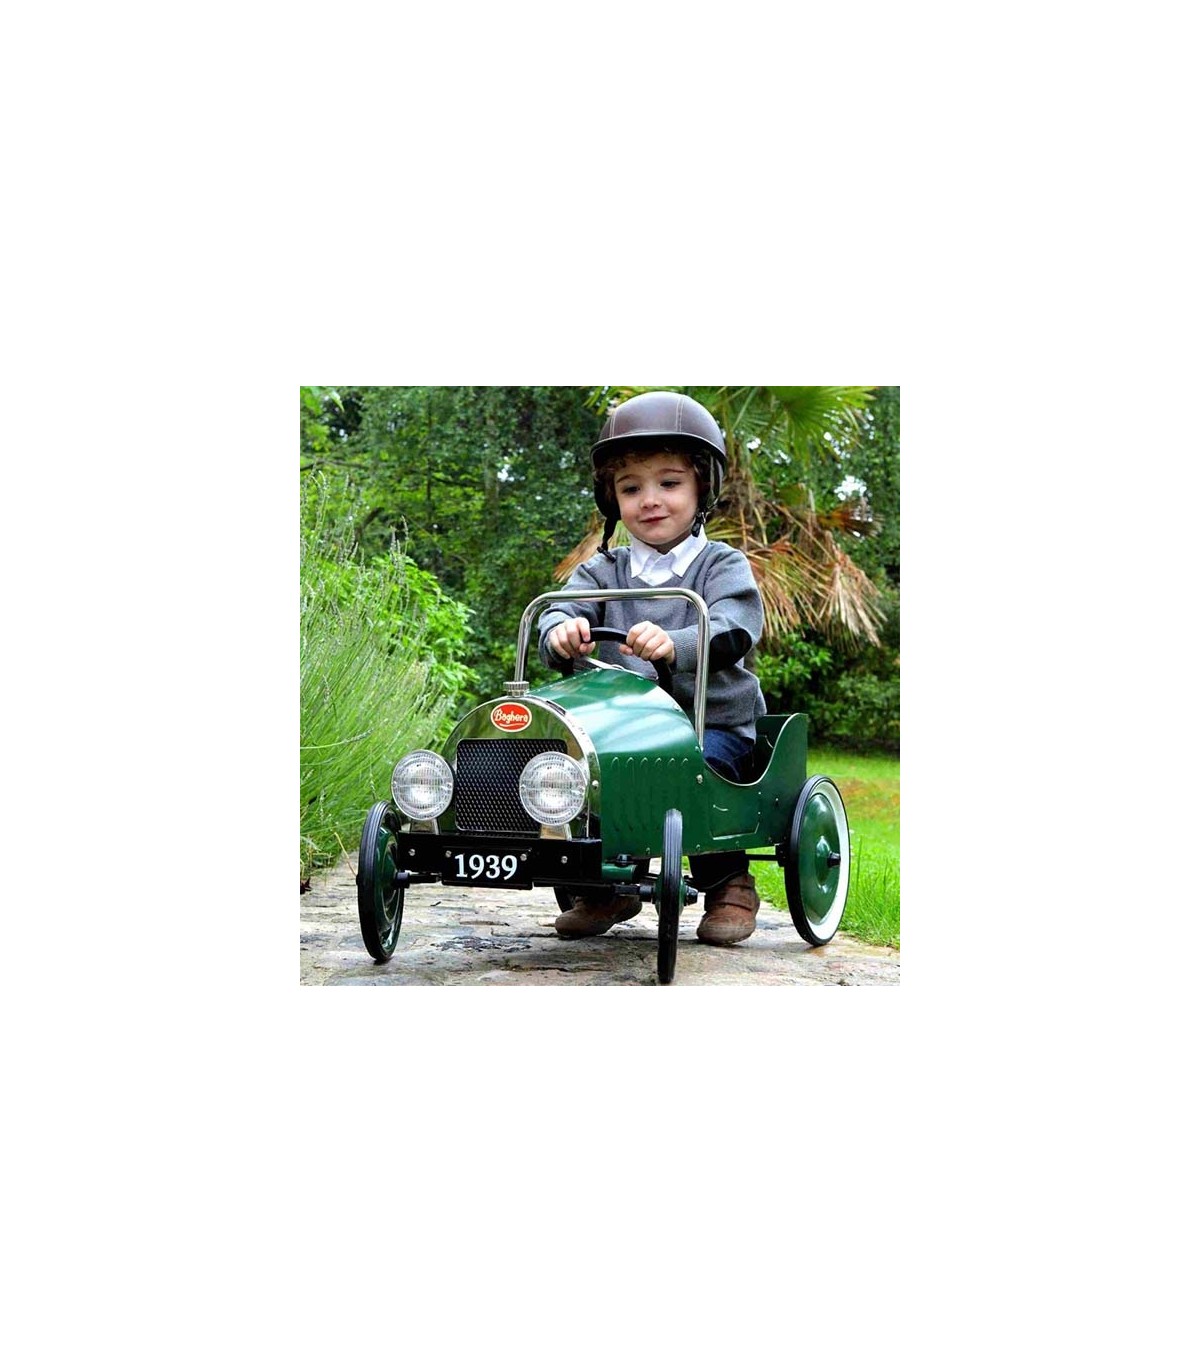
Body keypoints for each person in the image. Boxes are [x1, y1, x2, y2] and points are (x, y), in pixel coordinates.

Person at [537, 391, 766, 946]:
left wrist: (676, 643)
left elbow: (735, 627)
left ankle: (729, 883)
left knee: (693, 769)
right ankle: (605, 887)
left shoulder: (721, 564)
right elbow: (561, 608)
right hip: (624, 729)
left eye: (669, 483)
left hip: (710, 722)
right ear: (612, 499)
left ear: (701, 487)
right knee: (584, 774)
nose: (650, 500)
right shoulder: (603, 570)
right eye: (631, 488)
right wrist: (561, 630)